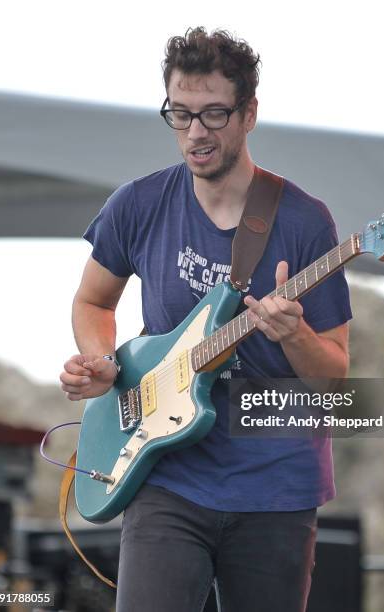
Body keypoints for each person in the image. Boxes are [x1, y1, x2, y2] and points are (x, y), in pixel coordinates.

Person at [60, 27, 351, 612]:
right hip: (166, 471)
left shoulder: (303, 222)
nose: (196, 132)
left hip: (275, 484)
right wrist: (103, 360)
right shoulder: (138, 205)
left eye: (215, 114)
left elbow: (334, 381)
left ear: (249, 114)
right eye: (181, 114)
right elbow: (93, 301)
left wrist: (293, 335)